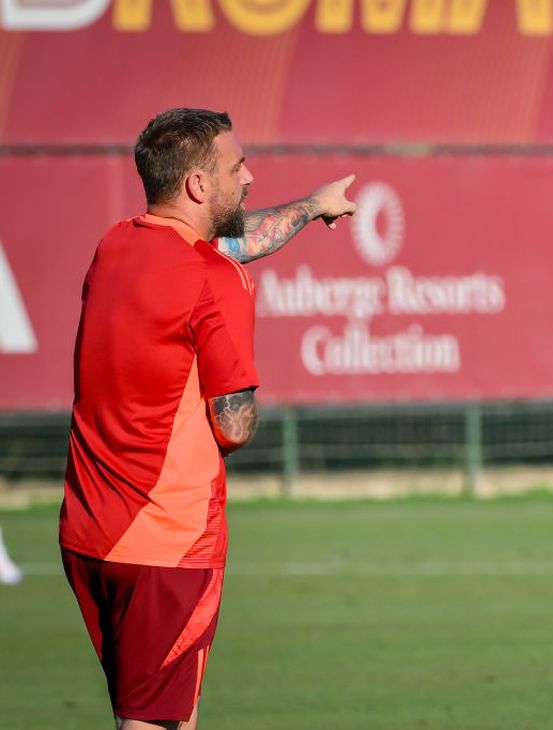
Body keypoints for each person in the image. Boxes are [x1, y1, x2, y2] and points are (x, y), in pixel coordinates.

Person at [58, 108, 356, 730]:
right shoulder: (219, 278)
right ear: (198, 184)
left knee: (140, 714)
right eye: (236, 166)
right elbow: (235, 426)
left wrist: (312, 205)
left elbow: (239, 236)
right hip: (166, 539)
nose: (250, 177)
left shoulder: (115, 244)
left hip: (89, 532)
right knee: (159, 724)